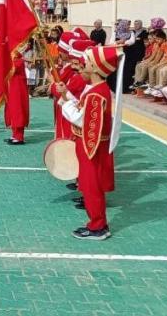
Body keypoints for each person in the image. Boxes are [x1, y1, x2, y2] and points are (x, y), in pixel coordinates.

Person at [60, 45, 122, 241]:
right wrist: (66, 96)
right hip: (90, 144)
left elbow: (81, 119)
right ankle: (97, 223)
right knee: (89, 185)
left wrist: (65, 101)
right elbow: (82, 108)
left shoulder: (97, 93)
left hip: (90, 146)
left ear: (95, 68)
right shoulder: (97, 89)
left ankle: (98, 226)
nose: (81, 67)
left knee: (91, 186)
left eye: (85, 64)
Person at [5, 45, 30, 145]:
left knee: (18, 111)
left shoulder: (18, 62)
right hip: (13, 89)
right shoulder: (16, 61)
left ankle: (19, 137)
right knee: (13, 111)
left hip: (18, 90)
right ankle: (14, 134)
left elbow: (10, 70)